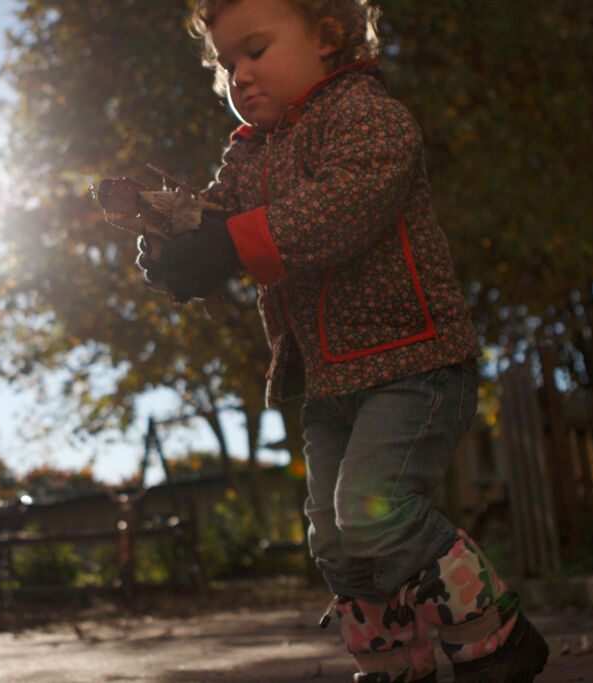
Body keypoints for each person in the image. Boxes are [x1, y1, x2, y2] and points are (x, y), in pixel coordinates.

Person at [137, 0, 550, 681]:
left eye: (256, 50)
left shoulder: (366, 115)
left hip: (411, 361)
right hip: (326, 381)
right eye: (227, 63)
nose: (239, 75)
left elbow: (345, 204)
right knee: (333, 538)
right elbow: (216, 219)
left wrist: (234, 243)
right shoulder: (246, 155)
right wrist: (178, 247)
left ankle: (497, 641)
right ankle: (395, 666)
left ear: (327, 35)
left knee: (371, 511)